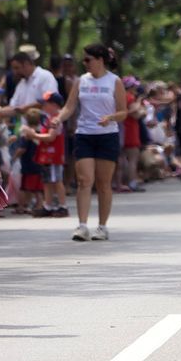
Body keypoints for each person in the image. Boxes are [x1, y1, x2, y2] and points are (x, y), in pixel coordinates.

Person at [57, 43, 130, 242]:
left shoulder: (114, 81)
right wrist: (58, 118)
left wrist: (111, 117)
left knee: (103, 183)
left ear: (100, 60)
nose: (85, 63)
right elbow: (69, 107)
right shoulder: (81, 81)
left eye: (88, 59)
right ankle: (82, 226)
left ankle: (102, 226)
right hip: (85, 134)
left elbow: (124, 112)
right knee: (84, 181)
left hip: (107, 135)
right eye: (84, 59)